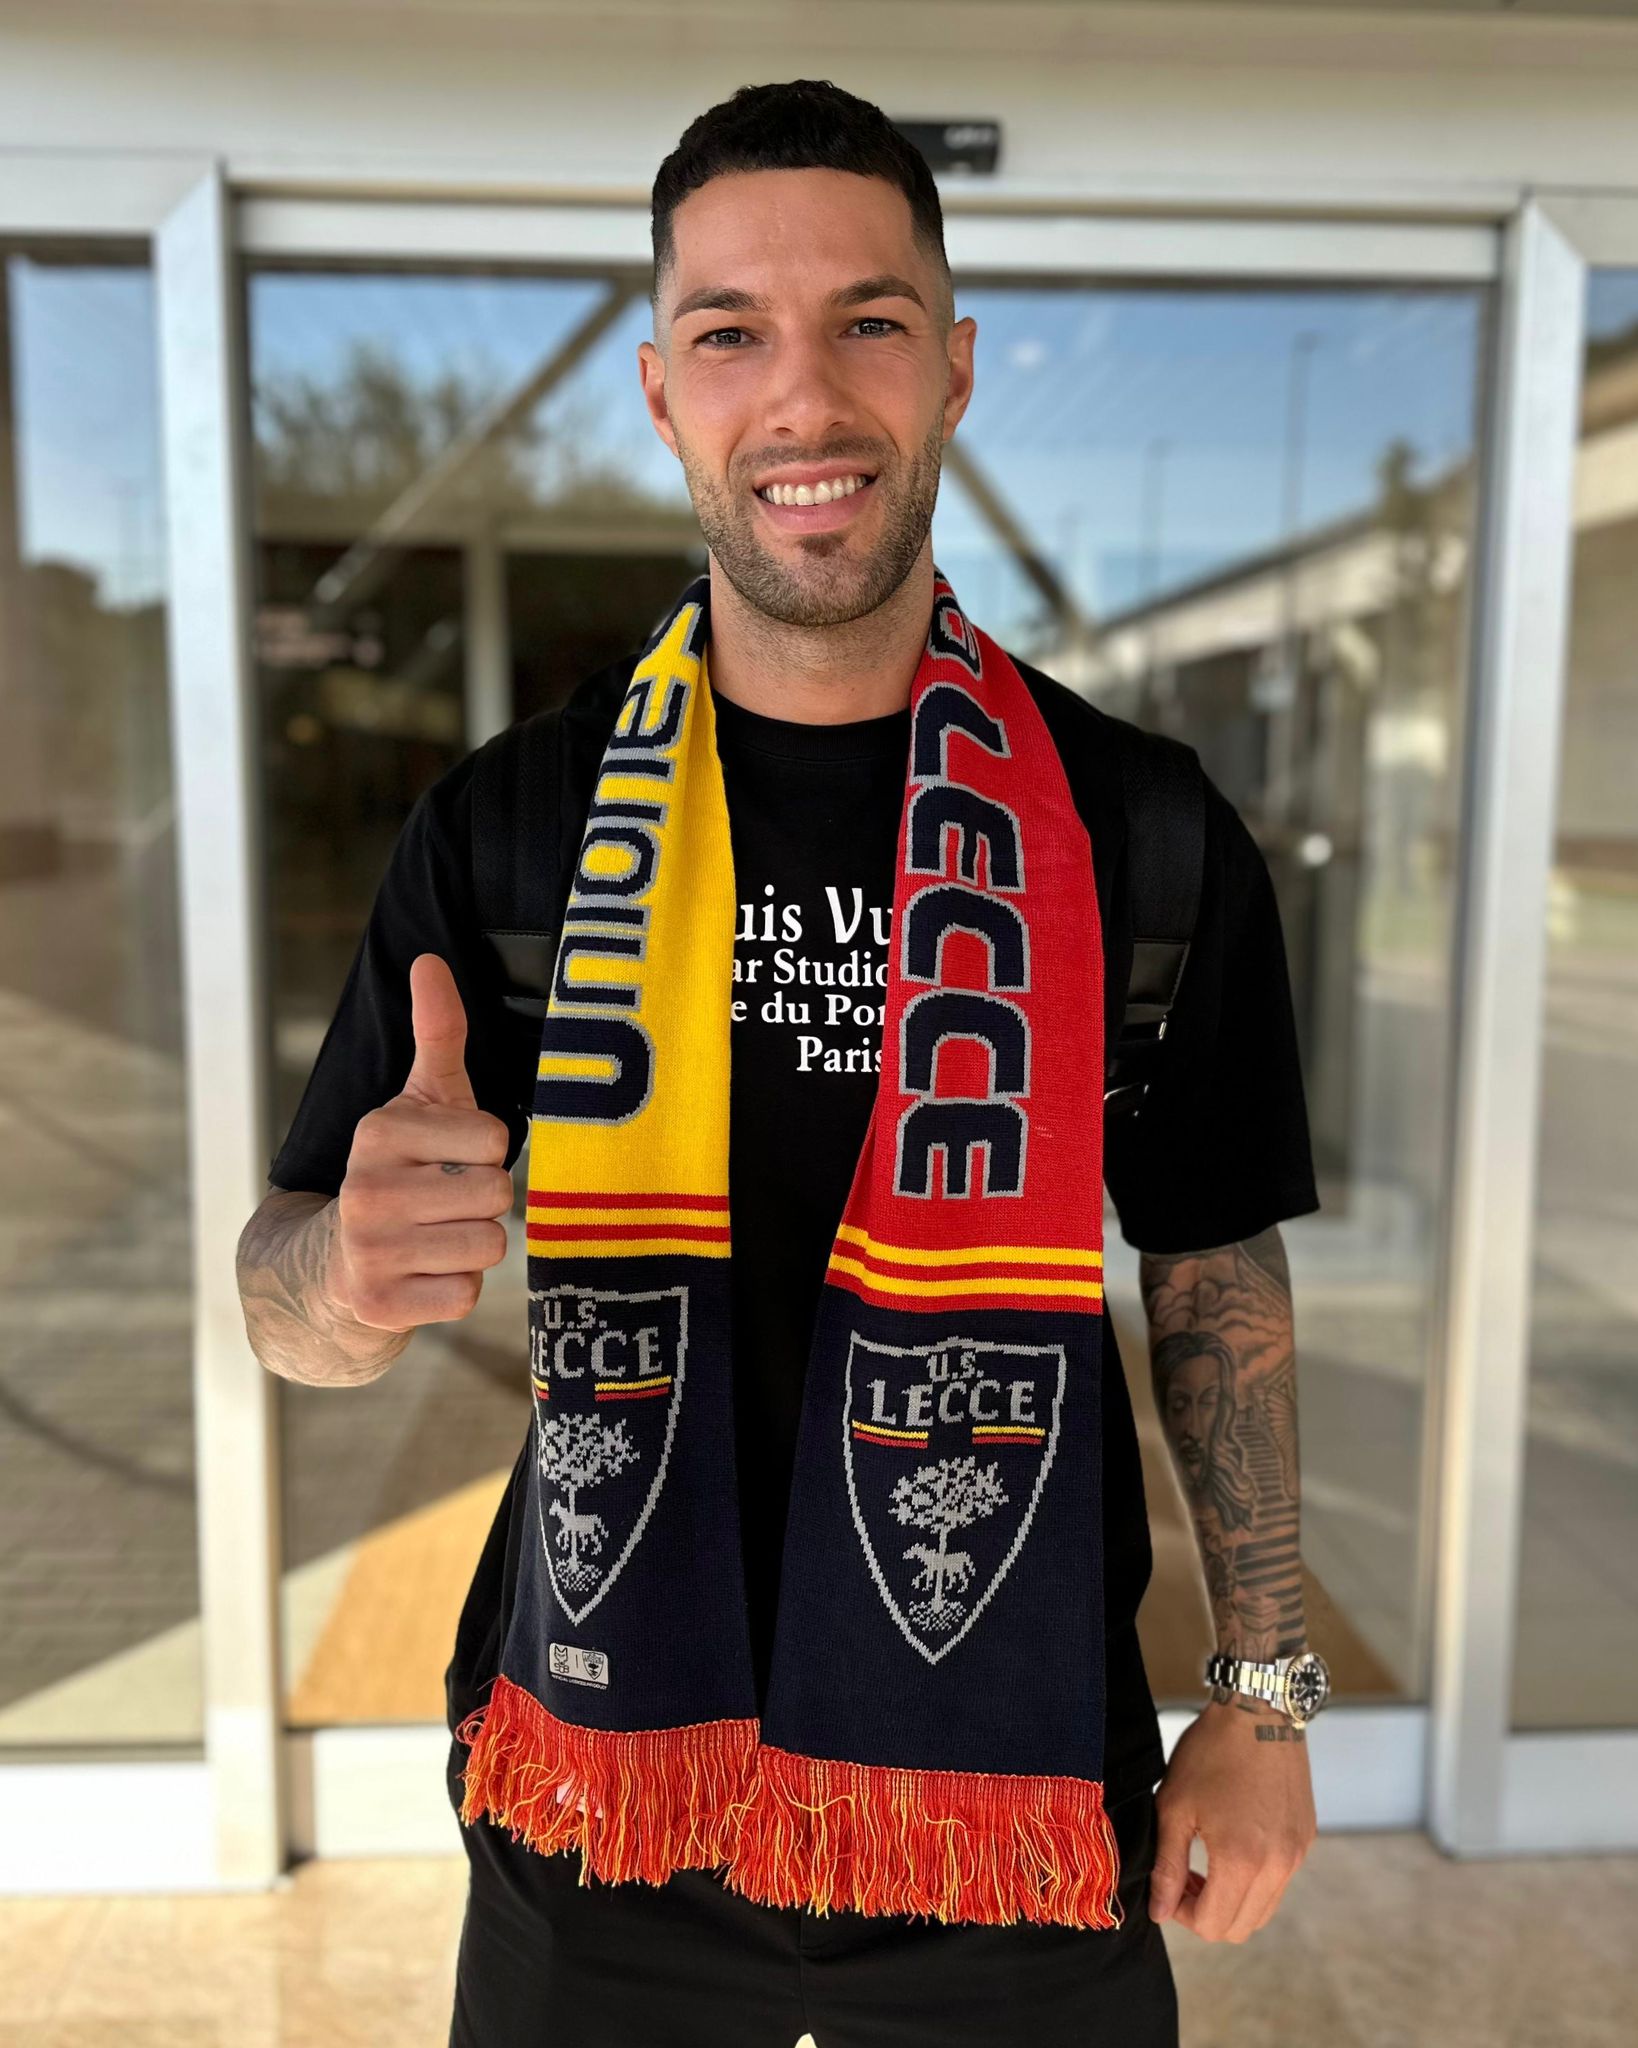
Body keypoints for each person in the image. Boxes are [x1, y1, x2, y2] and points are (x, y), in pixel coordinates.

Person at [236, 78, 1324, 2048]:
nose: (803, 398)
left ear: (954, 368)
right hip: (597, 1795)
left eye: (868, 322)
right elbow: (286, 1296)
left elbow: (1212, 1275)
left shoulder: (1141, 832)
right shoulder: (513, 832)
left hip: (1014, 1800)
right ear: (664, 396)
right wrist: (342, 1275)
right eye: (731, 332)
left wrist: (1260, 1698)